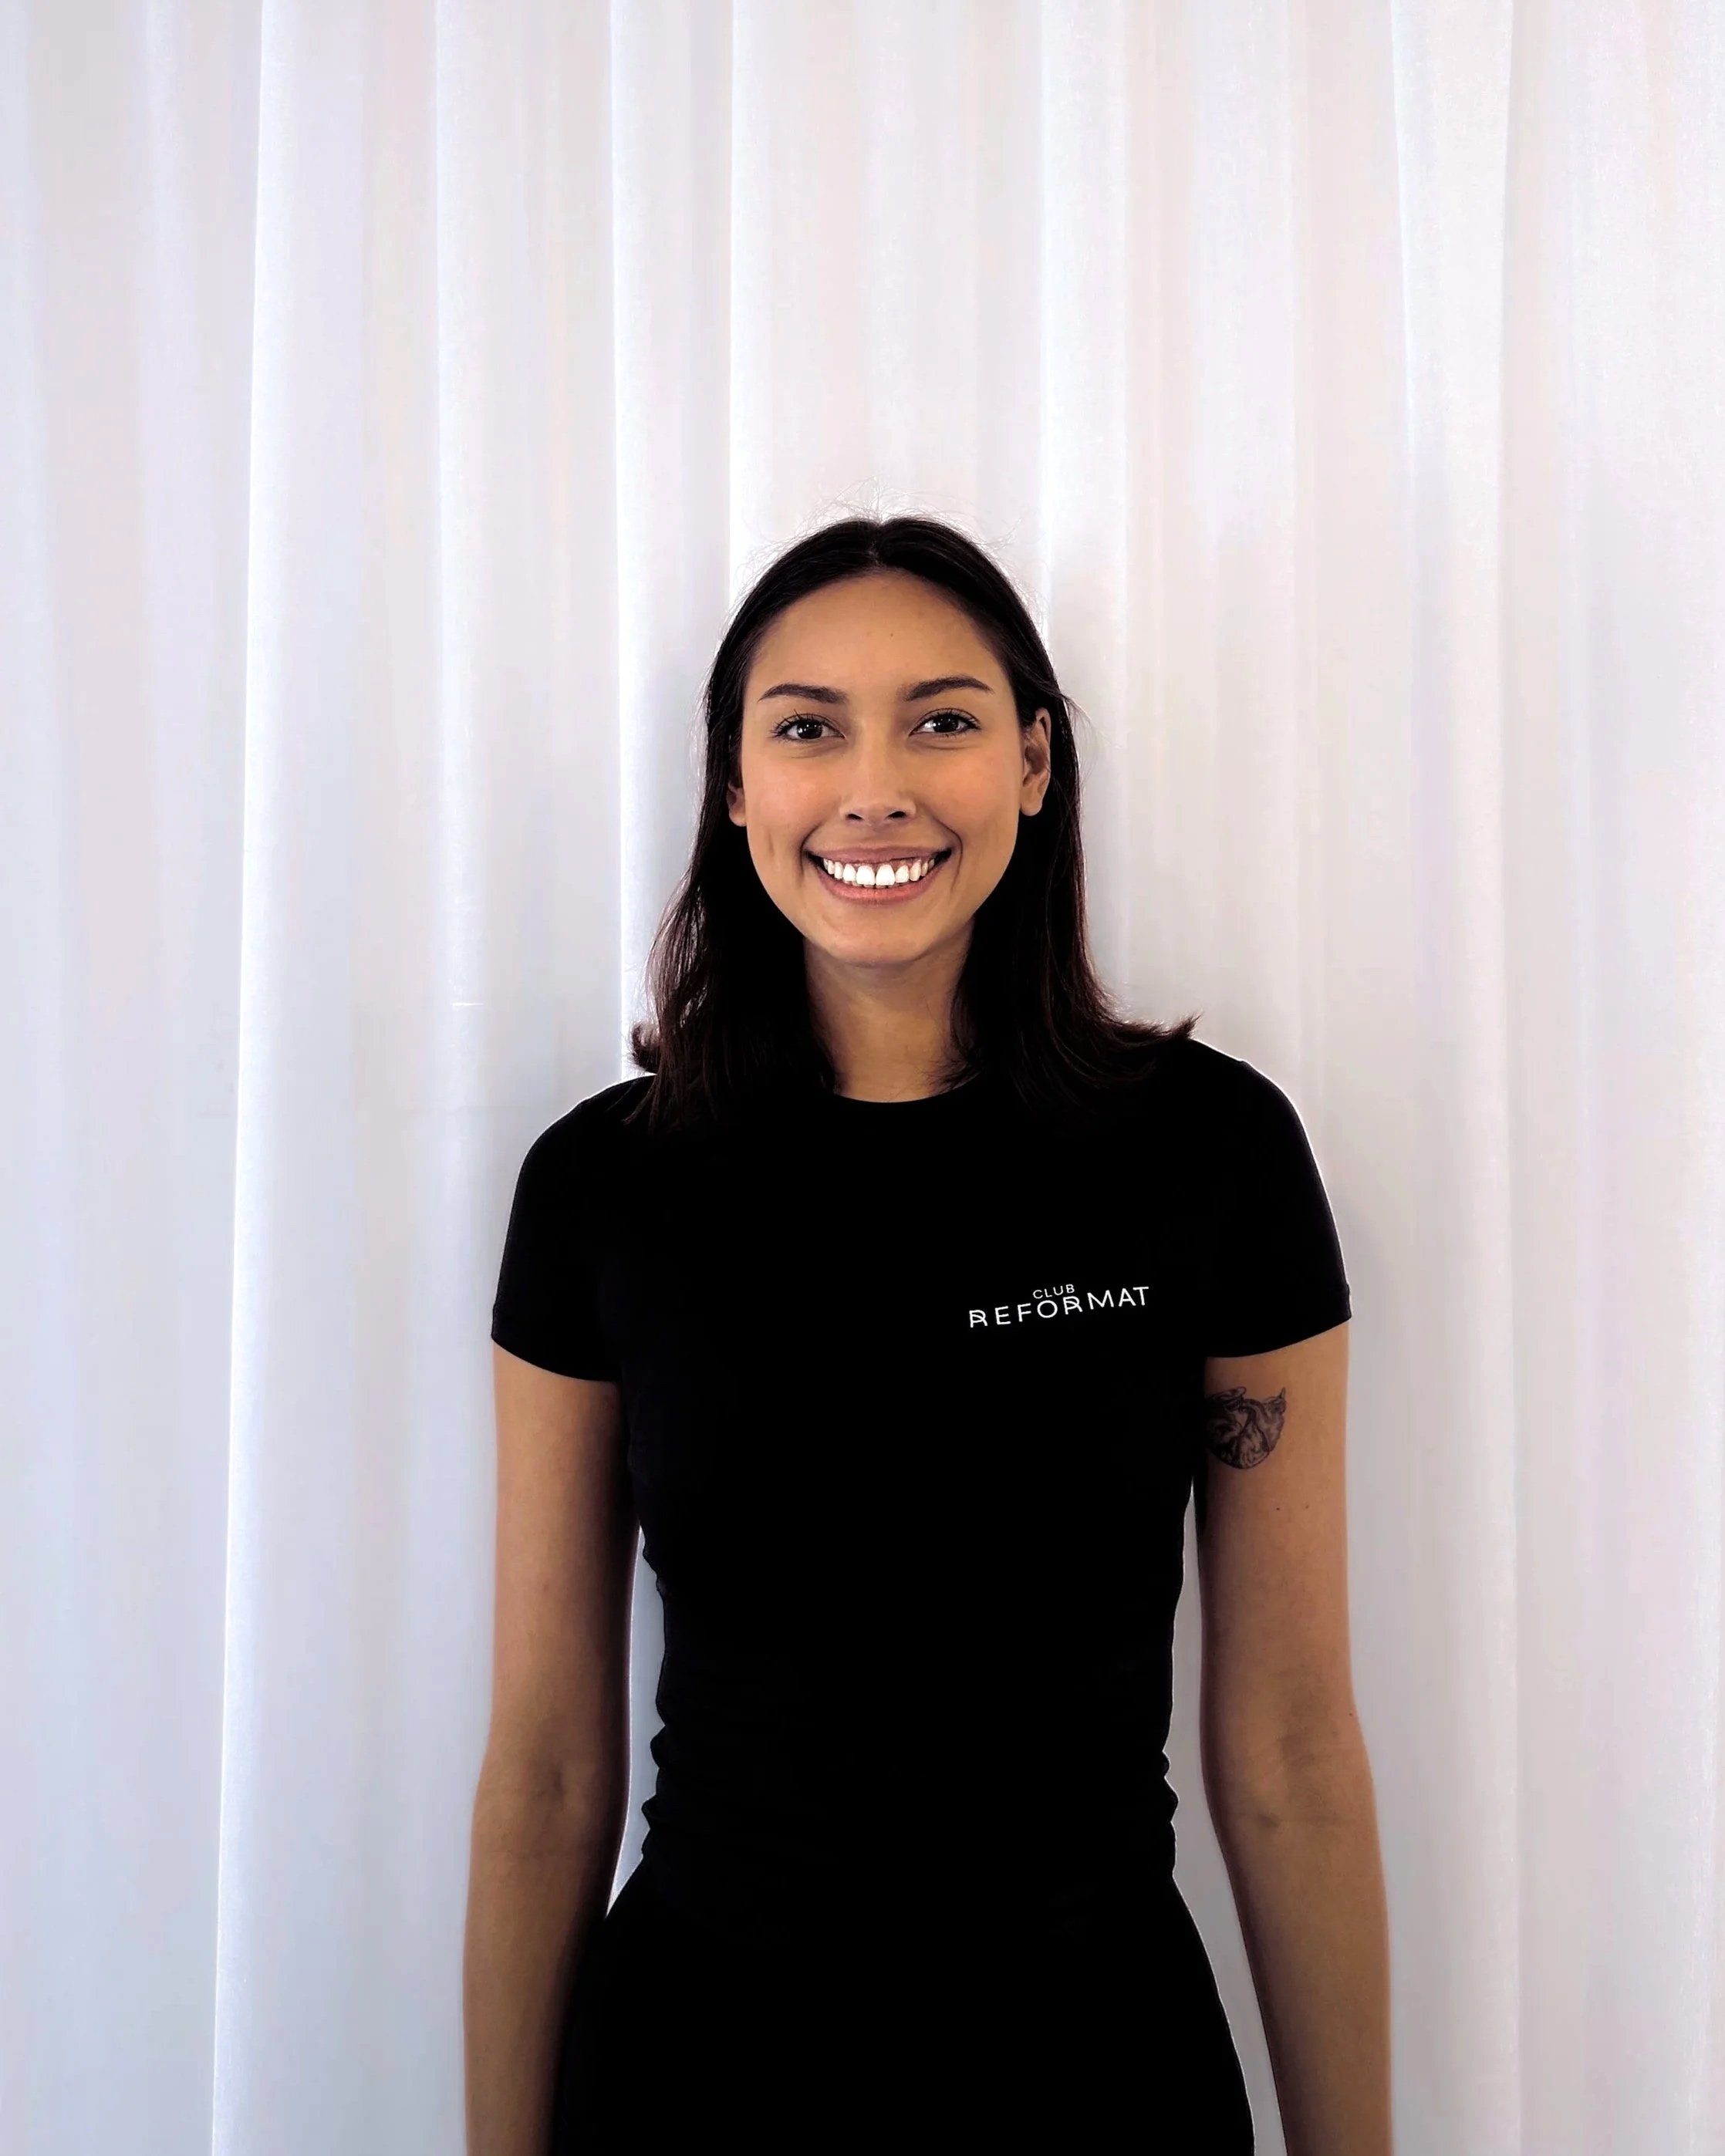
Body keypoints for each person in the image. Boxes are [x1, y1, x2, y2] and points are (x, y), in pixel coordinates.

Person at [463, 516, 1392, 2154]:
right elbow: (544, 1765)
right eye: (807, 726)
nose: (873, 787)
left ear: (1034, 765)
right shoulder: (604, 1189)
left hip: (1097, 2078)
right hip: (696, 2076)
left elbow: (1293, 1745)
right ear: (733, 784)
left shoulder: (1210, 1156)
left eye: (943, 720)